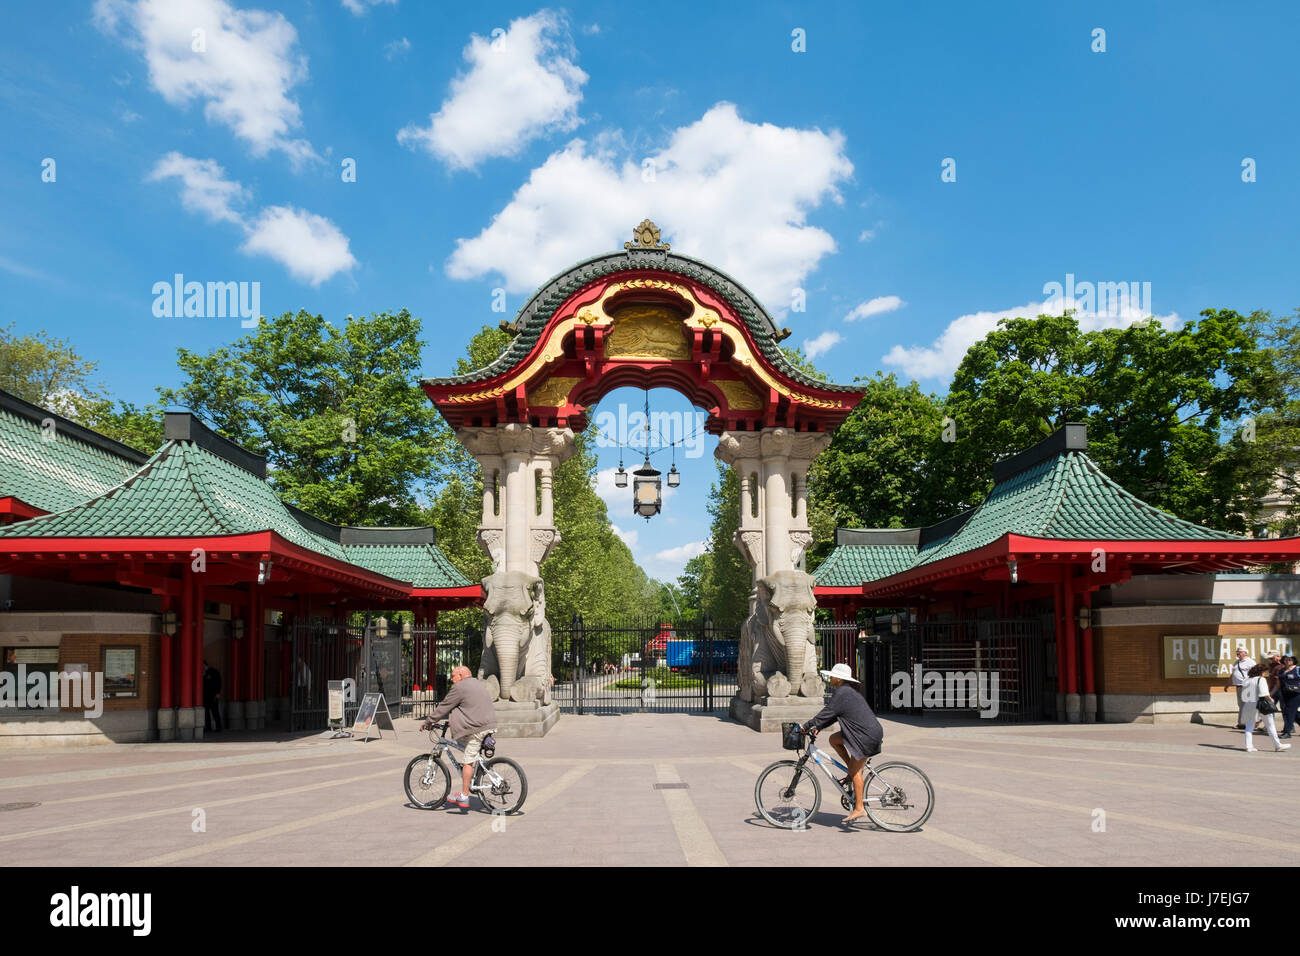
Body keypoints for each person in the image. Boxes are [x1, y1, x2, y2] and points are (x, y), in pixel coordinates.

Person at [800, 663, 884, 824]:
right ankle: (851, 769)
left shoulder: (843, 693)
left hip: (866, 735)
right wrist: (819, 726)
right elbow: (833, 714)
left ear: (838, 678)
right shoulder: (845, 692)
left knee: (855, 771)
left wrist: (807, 725)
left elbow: (826, 712)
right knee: (834, 740)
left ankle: (859, 808)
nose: (830, 678)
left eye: (832, 676)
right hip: (863, 733)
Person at [425, 665, 497, 809]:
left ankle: (464, 796)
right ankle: (474, 775)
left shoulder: (460, 687)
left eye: (453, 676)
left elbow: (445, 706)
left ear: (462, 675)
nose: (451, 679)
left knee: (467, 761)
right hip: (487, 724)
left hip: (478, 728)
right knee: (468, 749)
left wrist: (429, 721)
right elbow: (468, 707)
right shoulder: (477, 683)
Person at [1241, 663, 1290, 753]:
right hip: (1261, 705)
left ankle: (1249, 746)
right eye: (1264, 672)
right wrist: (1270, 699)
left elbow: (1243, 695)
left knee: (1249, 727)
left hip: (1249, 705)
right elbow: (1264, 693)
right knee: (1270, 725)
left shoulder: (1247, 680)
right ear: (1261, 672)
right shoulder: (1261, 679)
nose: (1265, 674)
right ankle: (1278, 745)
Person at [1227, 647, 1256, 729]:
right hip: (1239, 686)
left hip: (1247, 685)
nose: (1237, 653)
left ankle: (1246, 723)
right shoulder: (1236, 662)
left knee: (1247, 705)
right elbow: (1233, 674)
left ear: (1245, 653)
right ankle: (1243, 723)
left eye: (1239, 652)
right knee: (1241, 705)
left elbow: (1256, 673)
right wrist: (1228, 684)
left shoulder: (1250, 662)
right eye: (1237, 652)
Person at [1279, 654, 1300, 738]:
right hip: (1284, 694)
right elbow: (1278, 684)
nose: (1288, 661)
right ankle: (1288, 730)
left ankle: (1287, 732)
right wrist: (1271, 694)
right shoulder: (1281, 671)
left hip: (1296, 694)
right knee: (1293, 713)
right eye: (1286, 659)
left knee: (1289, 712)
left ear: (1294, 660)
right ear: (1283, 661)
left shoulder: (1298, 669)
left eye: (1290, 659)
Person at [202, 660, 222, 734]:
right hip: (205, 696)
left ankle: (218, 727)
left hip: (213, 695)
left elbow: (219, 682)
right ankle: (208, 727)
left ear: (205, 665)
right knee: (206, 713)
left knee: (215, 712)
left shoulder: (214, 671)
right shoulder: (202, 674)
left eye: (203, 665)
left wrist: (218, 693)